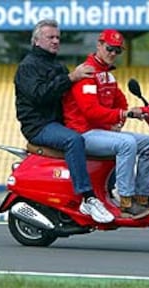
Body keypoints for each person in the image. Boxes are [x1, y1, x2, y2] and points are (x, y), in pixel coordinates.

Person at [14, 19, 114, 223]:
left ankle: (109, 192)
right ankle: (88, 198)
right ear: (36, 41)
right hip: (39, 125)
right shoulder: (28, 66)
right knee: (73, 140)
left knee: (110, 141)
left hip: (58, 123)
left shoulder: (57, 65)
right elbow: (39, 95)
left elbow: (73, 97)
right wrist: (71, 78)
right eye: (50, 37)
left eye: (58, 37)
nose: (55, 41)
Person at [62, 29, 149, 219]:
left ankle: (142, 197)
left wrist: (120, 119)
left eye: (117, 51)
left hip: (101, 132)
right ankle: (126, 202)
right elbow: (90, 111)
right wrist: (122, 115)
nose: (113, 53)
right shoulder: (87, 72)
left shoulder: (108, 75)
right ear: (99, 45)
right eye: (109, 48)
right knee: (126, 144)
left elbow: (121, 102)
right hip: (84, 133)